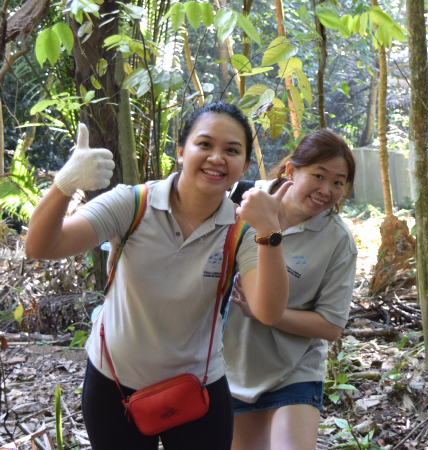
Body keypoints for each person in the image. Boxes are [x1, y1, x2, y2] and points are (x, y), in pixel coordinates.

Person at [25, 102, 290, 450]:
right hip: (114, 383)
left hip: (198, 385)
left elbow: (268, 311)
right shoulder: (132, 204)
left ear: (244, 165)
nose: (217, 158)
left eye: (232, 150)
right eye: (205, 144)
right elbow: (40, 246)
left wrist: (270, 231)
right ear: (181, 152)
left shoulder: (243, 229)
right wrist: (65, 183)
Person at [223, 130, 358, 450]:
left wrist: (268, 313)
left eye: (338, 182)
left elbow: (331, 325)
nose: (327, 190)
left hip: (294, 369)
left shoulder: (338, 241)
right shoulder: (240, 201)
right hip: (229, 366)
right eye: (318, 175)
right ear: (291, 171)